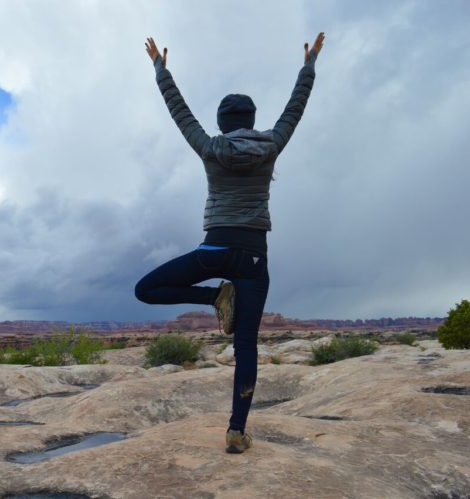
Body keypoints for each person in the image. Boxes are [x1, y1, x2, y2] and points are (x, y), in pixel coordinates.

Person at [135, 32, 325, 454]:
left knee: (144, 290)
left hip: (215, 249)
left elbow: (179, 113)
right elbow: (296, 108)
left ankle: (214, 298)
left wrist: (160, 69)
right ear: (252, 119)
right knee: (246, 347)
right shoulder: (272, 144)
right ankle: (236, 431)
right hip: (254, 258)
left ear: (222, 122)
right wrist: (308, 65)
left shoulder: (210, 148)